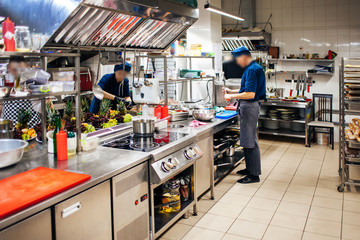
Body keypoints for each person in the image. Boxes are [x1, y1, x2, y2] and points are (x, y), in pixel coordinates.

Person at [222, 46, 266, 184]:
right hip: (248, 106)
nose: (237, 62)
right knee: (247, 139)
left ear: (244, 56)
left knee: (250, 141)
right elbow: (246, 89)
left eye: (237, 59)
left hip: (250, 106)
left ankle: (254, 175)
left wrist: (230, 95)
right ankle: (250, 169)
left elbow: (250, 94)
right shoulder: (252, 68)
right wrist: (232, 90)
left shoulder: (252, 69)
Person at [0, 56, 41, 128]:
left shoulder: (32, 82)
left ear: (26, 67)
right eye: (15, 70)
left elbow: (42, 107)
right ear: (9, 68)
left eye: (21, 70)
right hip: (8, 128)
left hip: (31, 129)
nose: (18, 73)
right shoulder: (3, 82)